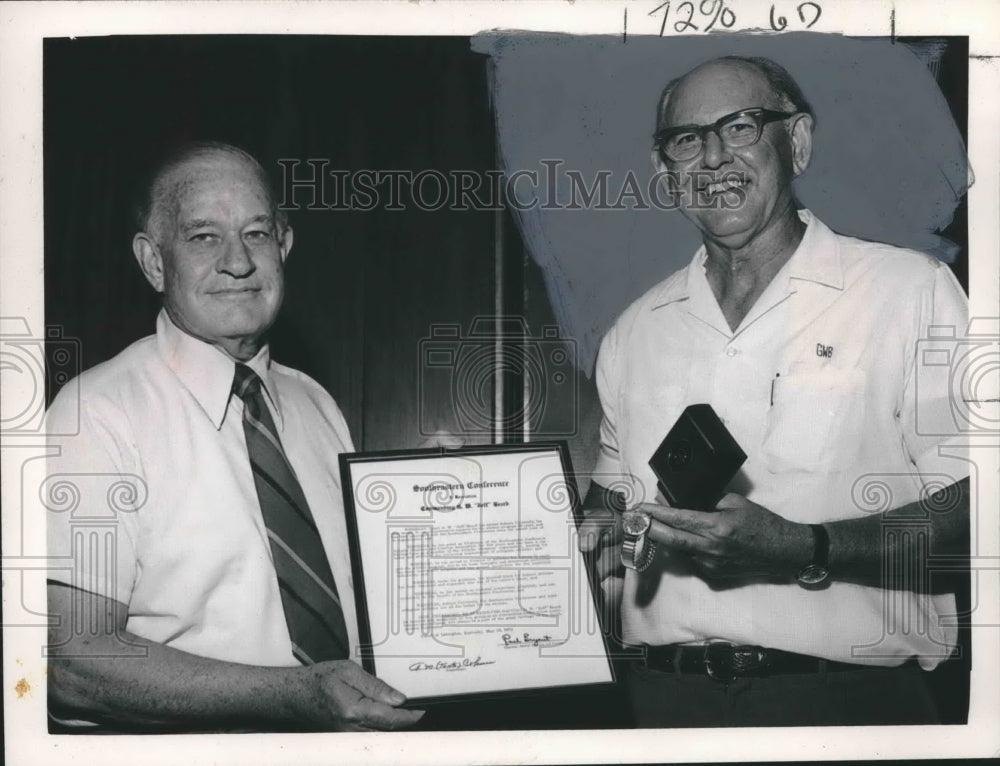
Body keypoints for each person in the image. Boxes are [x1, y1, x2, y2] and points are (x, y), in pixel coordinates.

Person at [580, 56, 970, 727]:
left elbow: (979, 515)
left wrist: (802, 546)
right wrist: (580, 532)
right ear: (663, 171)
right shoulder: (633, 332)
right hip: (665, 706)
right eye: (686, 139)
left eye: (739, 127)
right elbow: (611, 508)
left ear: (797, 141)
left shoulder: (910, 292)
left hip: (848, 704)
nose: (712, 159)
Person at [45, 142, 425, 732]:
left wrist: (432, 505)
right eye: (202, 237)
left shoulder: (314, 403)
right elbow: (73, 663)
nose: (238, 262)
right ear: (152, 261)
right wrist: (293, 696)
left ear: (284, 245)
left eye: (255, 232)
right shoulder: (96, 415)